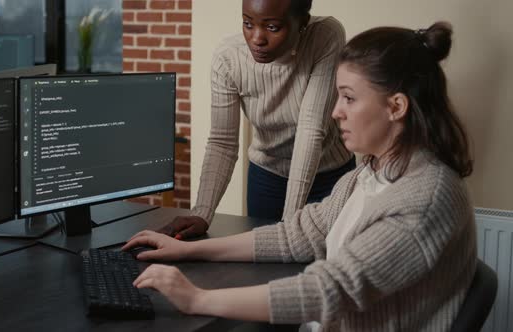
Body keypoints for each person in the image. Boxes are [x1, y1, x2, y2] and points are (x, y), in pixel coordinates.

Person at [124, 21, 477, 331]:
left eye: (349, 98)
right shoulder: (370, 173)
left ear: (396, 107)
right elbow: (299, 234)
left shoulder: (424, 198)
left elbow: (329, 289)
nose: (336, 112)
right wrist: (189, 251)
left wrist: (197, 299)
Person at [158, 0, 355, 240]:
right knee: (265, 266)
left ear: (302, 23)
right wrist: (202, 213)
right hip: (267, 176)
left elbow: (311, 128)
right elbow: (223, 142)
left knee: (325, 262)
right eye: (248, 24)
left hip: (329, 178)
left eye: (272, 27)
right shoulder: (228, 59)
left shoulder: (325, 36)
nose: (257, 38)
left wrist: (289, 226)